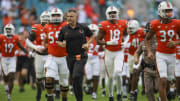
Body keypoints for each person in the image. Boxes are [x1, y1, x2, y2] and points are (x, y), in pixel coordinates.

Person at [145, 1, 180, 101]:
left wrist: (175, 43)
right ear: (161, 11)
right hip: (161, 55)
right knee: (163, 80)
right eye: (166, 10)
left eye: (170, 10)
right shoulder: (155, 24)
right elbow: (147, 39)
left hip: (172, 55)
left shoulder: (177, 23)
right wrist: (149, 51)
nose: (169, 13)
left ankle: (161, 98)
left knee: (169, 81)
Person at [57, 9, 95, 101]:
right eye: (68, 16)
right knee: (75, 79)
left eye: (71, 16)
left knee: (76, 76)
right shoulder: (64, 29)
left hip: (81, 56)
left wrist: (87, 44)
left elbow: (92, 36)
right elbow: (59, 41)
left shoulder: (82, 27)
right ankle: (79, 98)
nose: (69, 18)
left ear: (76, 17)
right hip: (70, 57)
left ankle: (80, 93)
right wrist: (61, 44)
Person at [96, 6, 127, 101]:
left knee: (118, 73)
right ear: (107, 14)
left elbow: (128, 35)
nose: (112, 14)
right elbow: (98, 40)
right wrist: (107, 43)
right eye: (110, 13)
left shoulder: (123, 23)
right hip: (109, 52)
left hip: (119, 52)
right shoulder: (103, 24)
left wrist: (125, 42)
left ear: (117, 13)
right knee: (110, 77)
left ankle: (118, 94)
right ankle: (110, 95)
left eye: (114, 12)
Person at [43, 8, 69, 101]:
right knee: (49, 78)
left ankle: (64, 99)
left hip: (64, 57)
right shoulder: (47, 26)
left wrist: (66, 43)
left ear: (61, 16)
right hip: (52, 57)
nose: (56, 17)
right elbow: (45, 41)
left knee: (64, 82)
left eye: (58, 15)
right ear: (51, 16)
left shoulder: (66, 25)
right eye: (54, 15)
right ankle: (50, 98)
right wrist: (46, 47)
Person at [0, 24, 28, 101]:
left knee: (11, 76)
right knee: (5, 76)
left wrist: (27, 52)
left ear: (12, 30)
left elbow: (20, 46)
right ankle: (6, 87)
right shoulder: (1, 37)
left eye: (9, 29)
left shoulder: (15, 38)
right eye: (7, 29)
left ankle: (9, 95)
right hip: (4, 58)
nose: (8, 31)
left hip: (12, 58)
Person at [26, 11, 50, 101]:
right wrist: (35, 47)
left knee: (49, 76)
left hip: (49, 55)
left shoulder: (54, 28)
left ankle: (49, 93)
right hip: (39, 55)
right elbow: (28, 41)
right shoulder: (36, 27)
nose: (46, 21)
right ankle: (39, 92)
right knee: (39, 77)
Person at [134, 28, 159, 101]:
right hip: (147, 69)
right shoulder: (143, 43)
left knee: (157, 88)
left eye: (149, 32)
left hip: (158, 69)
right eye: (147, 32)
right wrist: (136, 59)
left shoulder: (159, 42)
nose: (147, 33)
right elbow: (137, 52)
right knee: (148, 90)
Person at [125, 20, 146, 101]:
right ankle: (135, 90)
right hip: (131, 55)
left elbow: (150, 37)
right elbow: (126, 42)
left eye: (131, 28)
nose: (129, 30)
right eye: (129, 28)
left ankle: (132, 92)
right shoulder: (129, 34)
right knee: (132, 75)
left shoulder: (142, 32)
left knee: (135, 72)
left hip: (140, 54)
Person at [84, 24, 100, 99]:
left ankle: (94, 93)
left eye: (94, 31)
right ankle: (86, 85)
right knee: (89, 78)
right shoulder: (84, 38)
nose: (92, 32)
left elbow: (103, 48)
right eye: (91, 31)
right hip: (87, 60)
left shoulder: (99, 39)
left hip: (96, 59)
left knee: (96, 76)